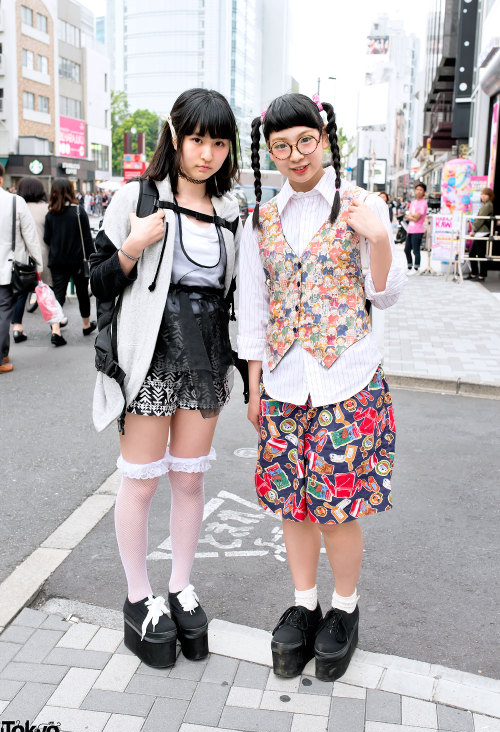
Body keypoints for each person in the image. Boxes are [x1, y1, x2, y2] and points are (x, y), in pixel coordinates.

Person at [238, 92, 406, 682]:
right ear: (271, 152)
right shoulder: (262, 218)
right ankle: (304, 603)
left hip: (347, 380)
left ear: (324, 137)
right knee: (293, 505)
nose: (295, 155)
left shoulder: (361, 203)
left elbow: (385, 293)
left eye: (304, 140)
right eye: (281, 146)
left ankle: (345, 609)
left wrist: (379, 237)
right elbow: (254, 308)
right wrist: (255, 385)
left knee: (338, 508)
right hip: (285, 382)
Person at [89, 88, 241, 669]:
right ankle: (138, 598)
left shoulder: (230, 213)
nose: (207, 153)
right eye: (197, 138)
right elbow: (97, 280)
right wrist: (132, 245)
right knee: (143, 482)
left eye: (219, 142)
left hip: (206, 358)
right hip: (151, 355)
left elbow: (235, 295)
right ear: (175, 136)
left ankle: (179, 587)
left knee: (189, 482)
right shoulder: (136, 197)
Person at [0, 166, 43, 373]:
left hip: (7, 268)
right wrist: (38, 264)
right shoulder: (15, 202)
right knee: (3, 311)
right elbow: (30, 237)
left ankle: (4, 351)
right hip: (7, 268)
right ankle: (1, 358)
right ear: (1, 180)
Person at [44, 178, 96, 346]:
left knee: (58, 295)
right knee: (82, 293)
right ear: (70, 191)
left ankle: (56, 330)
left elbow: (46, 239)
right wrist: (93, 259)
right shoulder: (78, 212)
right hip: (78, 261)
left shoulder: (51, 214)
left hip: (57, 261)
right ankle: (86, 325)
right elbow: (87, 239)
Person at [11, 177, 63, 342]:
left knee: (20, 293)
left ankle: (17, 328)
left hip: (22, 257)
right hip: (44, 255)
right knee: (48, 291)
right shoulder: (47, 208)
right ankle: (55, 329)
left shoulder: (17, 207)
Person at [468, 187, 495, 282]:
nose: (483, 196)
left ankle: (481, 275)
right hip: (480, 232)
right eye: (482, 194)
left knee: (479, 255)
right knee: (474, 254)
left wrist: (473, 230)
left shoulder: (488, 206)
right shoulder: (486, 205)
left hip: (482, 232)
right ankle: (475, 273)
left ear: (490, 196)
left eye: (485, 194)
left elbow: (480, 220)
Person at [404, 182, 427, 274]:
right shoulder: (413, 202)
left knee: (416, 250)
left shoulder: (423, 203)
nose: (418, 191)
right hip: (410, 229)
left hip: (418, 230)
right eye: (417, 189)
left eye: (420, 190)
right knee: (406, 249)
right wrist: (411, 216)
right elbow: (411, 216)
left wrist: (409, 216)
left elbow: (416, 218)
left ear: (424, 192)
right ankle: (409, 266)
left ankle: (416, 268)